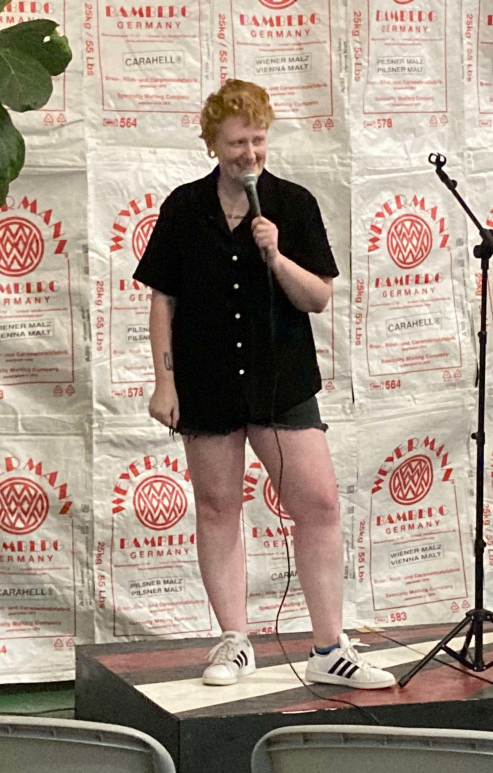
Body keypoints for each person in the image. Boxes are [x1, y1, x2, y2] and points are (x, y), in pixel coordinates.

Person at [135, 79, 395, 691]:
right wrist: (164, 383)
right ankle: (234, 641)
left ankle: (329, 648)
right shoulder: (183, 208)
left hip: (281, 379)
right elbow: (163, 301)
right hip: (206, 379)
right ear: (212, 145)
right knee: (217, 506)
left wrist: (276, 257)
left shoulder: (292, 204)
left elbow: (318, 298)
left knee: (318, 504)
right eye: (236, 143)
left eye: (257, 140)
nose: (249, 153)